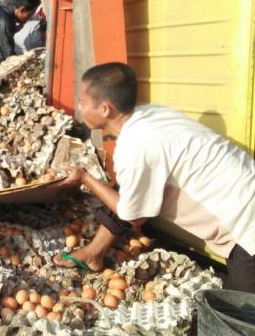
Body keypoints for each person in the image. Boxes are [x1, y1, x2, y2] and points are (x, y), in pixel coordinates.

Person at [50, 62, 255, 293]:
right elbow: (129, 192)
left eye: (82, 102)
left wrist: (85, 178)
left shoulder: (135, 145)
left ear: (105, 109)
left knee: (243, 313)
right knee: (125, 189)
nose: (79, 107)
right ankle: (94, 254)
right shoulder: (153, 113)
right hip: (245, 203)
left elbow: (133, 215)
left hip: (246, 229)